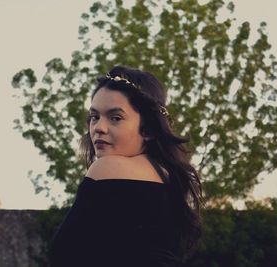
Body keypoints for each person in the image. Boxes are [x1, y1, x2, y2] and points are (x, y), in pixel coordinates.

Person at [49, 66, 203, 267]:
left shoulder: (106, 169)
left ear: (148, 129)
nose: (98, 128)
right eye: (94, 117)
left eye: (115, 118)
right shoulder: (166, 176)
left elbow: (65, 256)